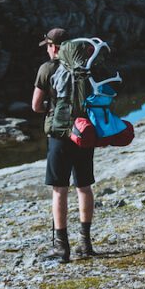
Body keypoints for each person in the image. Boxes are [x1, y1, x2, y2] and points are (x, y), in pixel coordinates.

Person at [32, 27, 98, 263]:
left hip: (60, 135)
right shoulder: (86, 66)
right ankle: (86, 243)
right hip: (84, 131)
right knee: (84, 186)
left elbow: (36, 106)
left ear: (54, 47)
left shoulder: (47, 69)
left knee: (60, 189)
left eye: (48, 46)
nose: (48, 50)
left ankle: (62, 247)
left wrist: (52, 107)